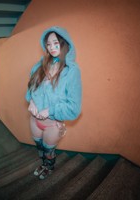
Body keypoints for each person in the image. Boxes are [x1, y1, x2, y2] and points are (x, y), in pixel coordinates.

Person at [25, 26, 82, 180]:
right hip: (34, 120)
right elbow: (30, 87)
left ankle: (49, 168)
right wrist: (31, 102)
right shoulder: (39, 65)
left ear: (65, 44)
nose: (51, 48)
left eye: (55, 43)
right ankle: (43, 164)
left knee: (49, 151)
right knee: (40, 148)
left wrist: (50, 111)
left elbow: (74, 108)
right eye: (48, 44)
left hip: (52, 125)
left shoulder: (71, 71)